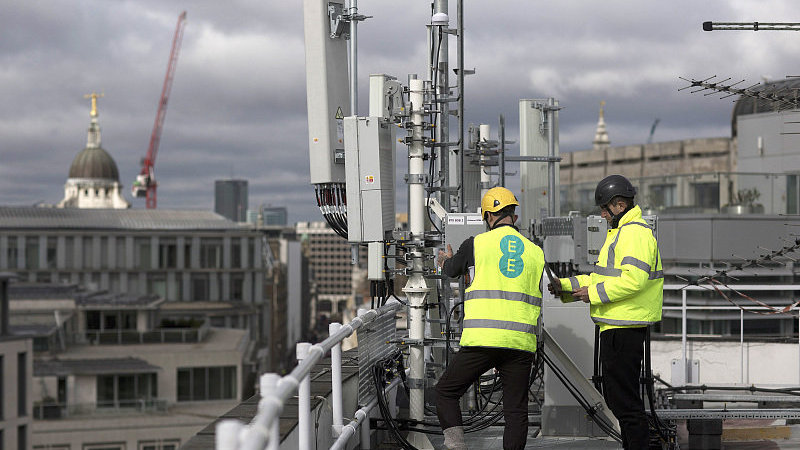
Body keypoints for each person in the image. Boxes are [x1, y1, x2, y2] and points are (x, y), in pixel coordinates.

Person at [550, 174, 663, 450]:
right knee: (619, 399)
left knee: (624, 402)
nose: (602, 215)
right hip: (616, 325)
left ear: (619, 205)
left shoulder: (635, 233)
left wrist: (592, 294)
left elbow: (633, 280)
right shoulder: (621, 233)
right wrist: (564, 286)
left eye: (604, 209)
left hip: (625, 327)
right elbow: (601, 278)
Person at [435, 186, 544, 450]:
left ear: (487, 217)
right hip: (520, 342)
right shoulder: (535, 251)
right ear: (514, 217)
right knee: (516, 411)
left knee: (445, 392)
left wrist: (445, 261)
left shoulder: (475, 244)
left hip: (483, 339)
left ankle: (457, 447)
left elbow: (451, 270)